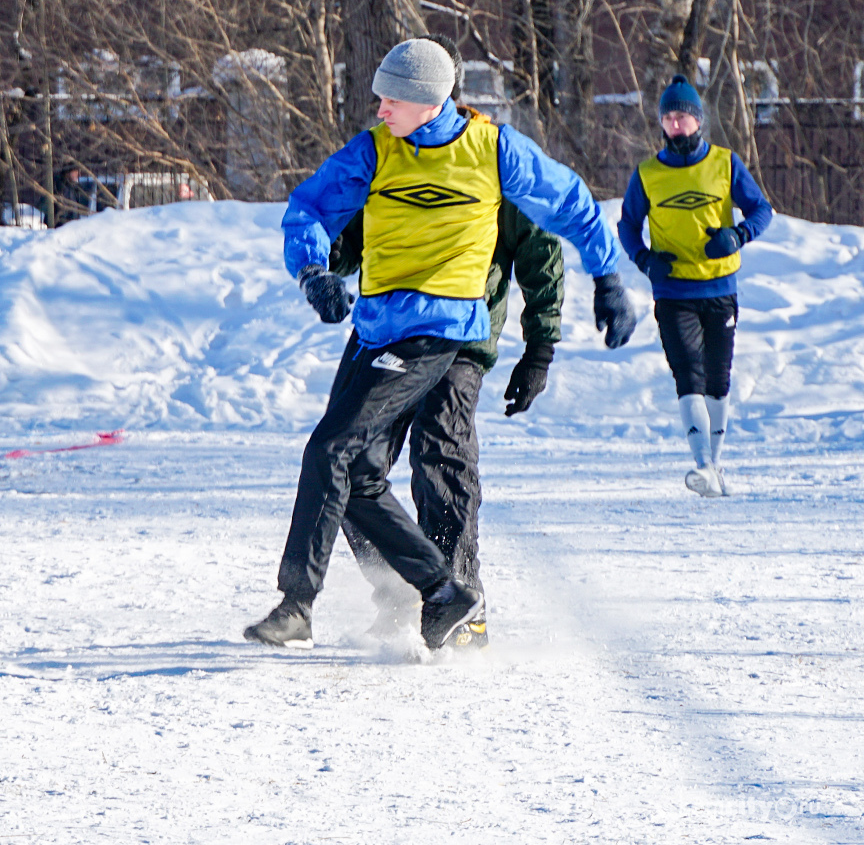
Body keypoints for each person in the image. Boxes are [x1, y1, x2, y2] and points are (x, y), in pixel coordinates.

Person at [245, 37, 635, 653]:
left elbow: (567, 205)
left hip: (441, 330)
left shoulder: (493, 150)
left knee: (366, 452)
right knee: (357, 471)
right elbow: (311, 208)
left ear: (428, 102)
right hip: (375, 327)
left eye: (390, 99)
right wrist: (314, 271)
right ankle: (436, 591)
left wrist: (606, 278)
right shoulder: (376, 150)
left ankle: (313, 603)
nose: (378, 109)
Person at [329, 47, 565, 649]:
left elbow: (541, 255)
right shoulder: (396, 156)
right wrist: (328, 258)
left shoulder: (491, 162)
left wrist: (539, 347)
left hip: (461, 337)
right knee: (354, 461)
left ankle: (462, 600)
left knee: (443, 457)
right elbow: (359, 230)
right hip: (386, 330)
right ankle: (403, 590)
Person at [616, 75, 772, 497]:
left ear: (698, 120)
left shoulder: (724, 163)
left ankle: (715, 465)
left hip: (719, 289)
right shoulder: (648, 174)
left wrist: (737, 236)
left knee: (718, 380)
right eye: (669, 118)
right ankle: (702, 465)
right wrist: (645, 259)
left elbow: (762, 209)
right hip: (673, 293)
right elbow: (627, 226)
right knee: (688, 374)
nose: (676, 125)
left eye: (683, 117)